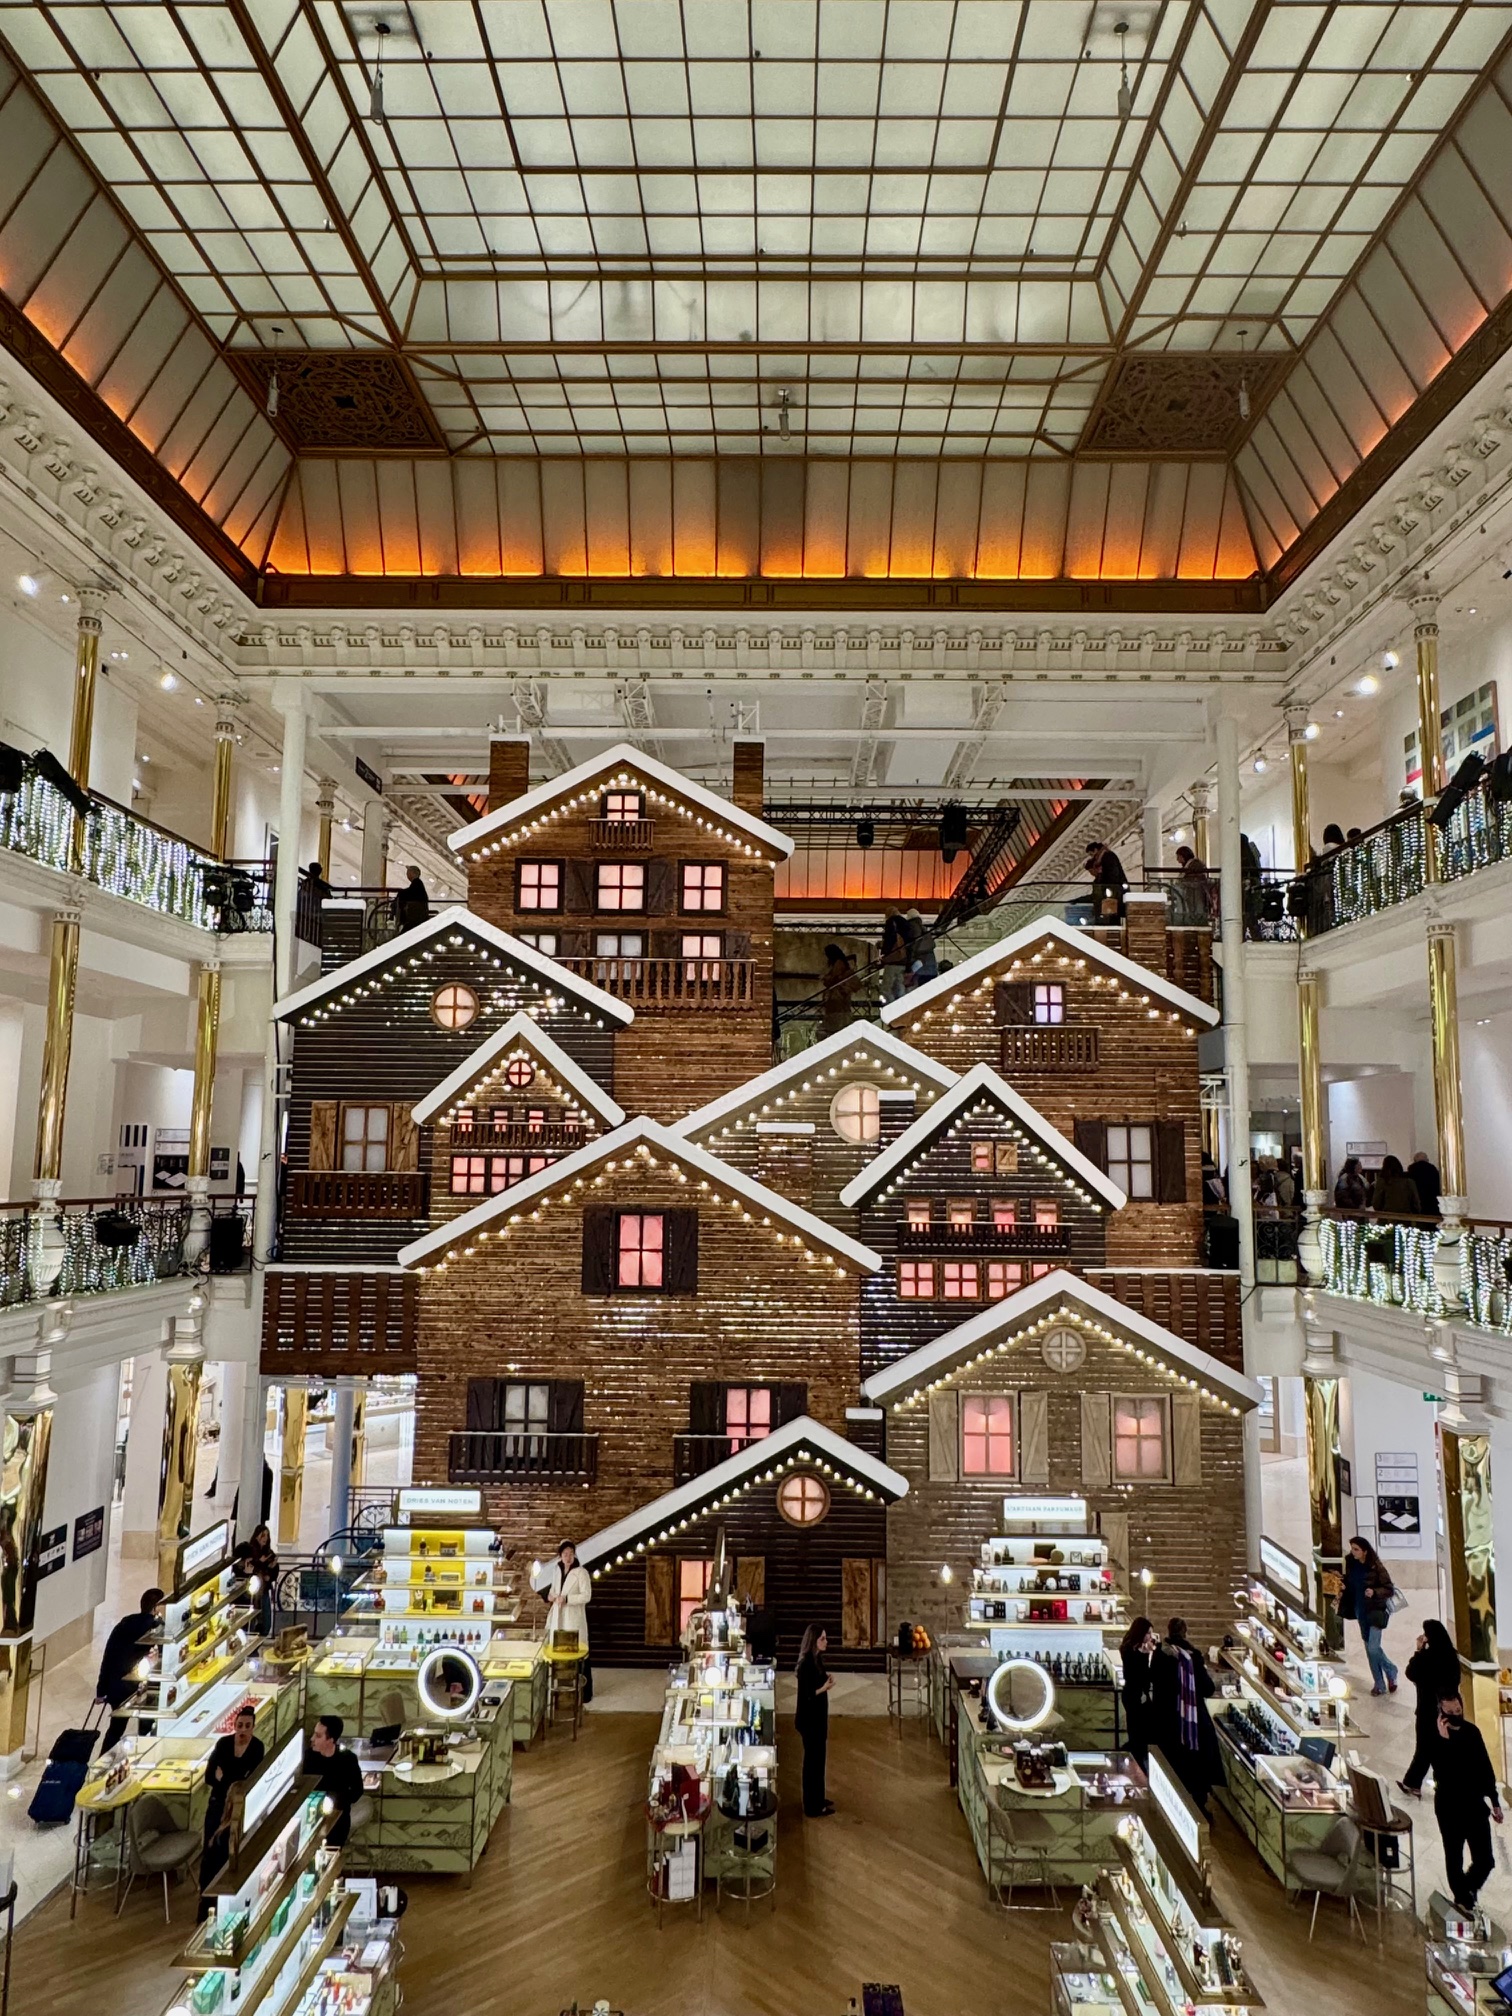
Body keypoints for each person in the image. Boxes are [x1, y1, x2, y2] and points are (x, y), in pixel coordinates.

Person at [1429, 1692, 1503, 1914]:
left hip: (1474, 1805)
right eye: (1449, 1712)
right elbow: (1444, 1772)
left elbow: (1485, 1767)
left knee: (1486, 1860)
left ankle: (1465, 1894)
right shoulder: (1435, 1738)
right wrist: (1444, 1741)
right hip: (1449, 1808)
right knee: (1454, 1857)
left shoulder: (1472, 1732)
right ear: (1441, 1713)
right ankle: (1463, 1900)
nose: (1455, 1715)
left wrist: (1495, 1800)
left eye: (1458, 1711)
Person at [1150, 1618, 1224, 1815]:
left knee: (1172, 1763)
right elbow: (1208, 1688)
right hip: (1193, 1721)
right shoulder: (1194, 1657)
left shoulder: (1160, 1655)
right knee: (1197, 1764)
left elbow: (1153, 1680)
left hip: (1167, 1720)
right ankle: (1199, 1806)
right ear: (1185, 1632)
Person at [197, 1701, 265, 1916]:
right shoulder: (223, 1744)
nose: (242, 1730)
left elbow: (251, 1779)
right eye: (239, 1725)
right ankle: (206, 1903)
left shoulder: (257, 1748)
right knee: (211, 1853)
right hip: (218, 1806)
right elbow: (210, 1777)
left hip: (239, 1809)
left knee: (231, 1853)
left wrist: (225, 1778)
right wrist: (232, 1780)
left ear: (252, 1727)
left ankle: (227, 1904)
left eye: (247, 1726)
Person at [96, 1587, 166, 1753]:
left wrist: (102, 1689)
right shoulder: (155, 1627)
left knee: (116, 1728)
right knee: (146, 1725)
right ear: (156, 1608)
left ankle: (102, 1763)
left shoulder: (123, 1625)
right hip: (140, 1687)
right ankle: (143, 1757)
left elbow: (108, 1657)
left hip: (117, 1686)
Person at [1399, 1620, 1461, 1797]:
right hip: (1448, 1711)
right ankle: (1416, 1783)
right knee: (1437, 1749)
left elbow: (1411, 1673)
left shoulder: (1426, 1657)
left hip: (1428, 1710)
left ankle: (1414, 1783)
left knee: (1424, 1748)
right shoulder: (1451, 1656)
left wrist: (1418, 1650)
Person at [1340, 1535, 1398, 1695]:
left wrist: (1374, 1592)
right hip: (1360, 1610)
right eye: (1352, 1548)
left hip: (1375, 1611)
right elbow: (1350, 1584)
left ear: (1365, 1551)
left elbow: (1389, 1589)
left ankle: (1391, 1670)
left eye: (1356, 1549)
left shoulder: (1376, 1567)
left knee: (1373, 1648)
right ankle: (1379, 1683)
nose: (1353, 1552)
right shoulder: (1351, 1564)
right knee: (1369, 1648)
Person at [538, 1539, 593, 1705]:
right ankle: (560, 1692)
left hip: (573, 1617)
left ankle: (585, 1693)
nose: (568, 1557)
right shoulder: (557, 1570)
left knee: (578, 1653)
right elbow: (555, 1590)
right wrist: (551, 1596)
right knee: (559, 1652)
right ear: (560, 1556)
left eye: (570, 1554)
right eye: (564, 1554)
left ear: (574, 1555)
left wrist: (567, 1599)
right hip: (558, 1615)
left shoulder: (581, 1572)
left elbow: (586, 1596)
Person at [307, 1714, 365, 1847]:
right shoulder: (308, 1758)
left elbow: (357, 1791)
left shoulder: (348, 1759)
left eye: (318, 1736)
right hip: (312, 1819)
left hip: (338, 1821)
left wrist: (338, 1801)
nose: (312, 1739)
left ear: (331, 1739)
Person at [795, 1623, 835, 1816]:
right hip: (810, 1722)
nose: (826, 1642)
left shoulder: (817, 1660)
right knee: (812, 1763)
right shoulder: (806, 1665)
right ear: (814, 1641)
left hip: (818, 1720)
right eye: (822, 1639)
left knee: (819, 1761)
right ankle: (812, 1805)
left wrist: (826, 1682)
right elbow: (807, 1694)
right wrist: (824, 1688)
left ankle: (818, 1797)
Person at [1118, 1616, 1158, 1765]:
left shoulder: (1129, 1648)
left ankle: (1137, 1758)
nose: (1150, 1637)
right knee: (1138, 1732)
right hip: (1136, 1695)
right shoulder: (1133, 1652)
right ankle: (1138, 1760)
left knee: (1136, 1730)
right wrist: (1147, 1655)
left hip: (1132, 1694)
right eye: (1148, 1633)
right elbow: (1140, 1674)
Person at [234, 1523, 279, 1637]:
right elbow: (252, 1569)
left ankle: (259, 1636)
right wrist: (261, 1563)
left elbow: (273, 1571)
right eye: (262, 1535)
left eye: (267, 1535)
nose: (265, 1538)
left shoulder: (269, 1553)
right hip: (252, 1592)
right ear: (256, 1536)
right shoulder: (250, 1552)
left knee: (265, 1620)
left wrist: (270, 1571)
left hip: (263, 1589)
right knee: (251, 1620)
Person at [818, 943, 859, 1036]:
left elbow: (834, 979)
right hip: (840, 997)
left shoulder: (838, 963)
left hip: (838, 997)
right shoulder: (841, 962)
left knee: (837, 1019)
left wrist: (826, 978)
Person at [1086, 840, 1128, 923]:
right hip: (1114, 889)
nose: (1092, 856)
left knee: (1114, 910)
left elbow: (1113, 875)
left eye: (1091, 854)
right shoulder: (1107, 856)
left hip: (1114, 889)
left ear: (1095, 850)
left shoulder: (1108, 857)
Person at [1172, 845, 1213, 926]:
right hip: (1191, 893)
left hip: (1196, 893)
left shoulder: (1195, 865)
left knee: (1197, 911)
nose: (1178, 860)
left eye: (1179, 857)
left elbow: (1195, 880)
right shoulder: (1190, 866)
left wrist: (1183, 883)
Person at [1371, 1153, 1421, 1219]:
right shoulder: (1409, 1182)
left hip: (1386, 1218)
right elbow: (1416, 1203)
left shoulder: (1382, 1182)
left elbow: (1376, 1204)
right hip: (1406, 1218)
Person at [879, 913, 913, 1003]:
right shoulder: (906, 926)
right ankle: (900, 1007)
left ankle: (891, 1006)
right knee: (900, 988)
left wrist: (883, 954)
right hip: (903, 961)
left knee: (886, 989)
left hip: (892, 962)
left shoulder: (891, 923)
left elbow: (889, 941)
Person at [391, 865, 430, 932]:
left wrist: (400, 893)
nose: (407, 874)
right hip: (416, 915)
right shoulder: (418, 884)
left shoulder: (417, 883)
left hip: (416, 916)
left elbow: (409, 893)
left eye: (408, 872)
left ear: (411, 873)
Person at [1410, 1150, 1443, 1220]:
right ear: (1426, 1159)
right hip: (1432, 1202)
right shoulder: (1433, 1169)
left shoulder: (1411, 1170)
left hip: (1417, 1202)